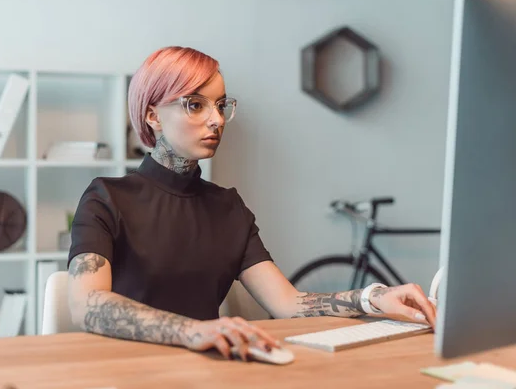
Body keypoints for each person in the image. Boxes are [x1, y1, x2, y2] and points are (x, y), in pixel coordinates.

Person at [67, 46, 437, 361]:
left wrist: (374, 298)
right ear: (152, 115)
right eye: (195, 105)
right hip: (126, 372)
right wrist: (191, 331)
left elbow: (288, 304)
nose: (216, 120)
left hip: (210, 371)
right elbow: (87, 304)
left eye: (221, 105)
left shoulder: (227, 207)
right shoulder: (106, 197)